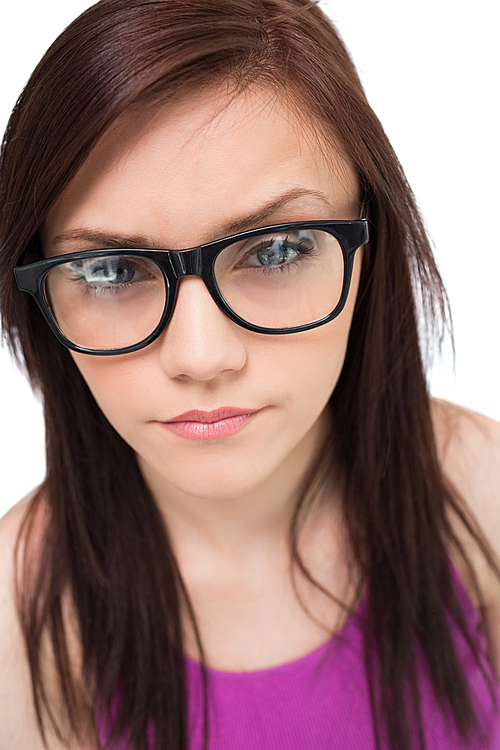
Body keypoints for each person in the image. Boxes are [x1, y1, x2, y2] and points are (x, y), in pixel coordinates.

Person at [0, 1, 499, 749]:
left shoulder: (482, 492)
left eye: (274, 251)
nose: (202, 357)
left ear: (369, 247)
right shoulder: (17, 612)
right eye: (110, 269)